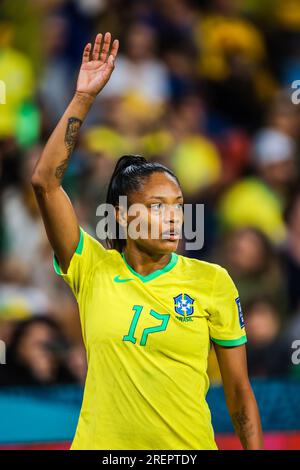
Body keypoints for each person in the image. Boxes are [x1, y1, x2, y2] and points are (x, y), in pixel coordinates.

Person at [31, 32, 263, 450]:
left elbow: (239, 392)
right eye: (156, 206)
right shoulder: (91, 268)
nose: (173, 217)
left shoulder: (213, 282)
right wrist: (84, 97)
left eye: (177, 205)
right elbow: (45, 184)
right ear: (121, 215)